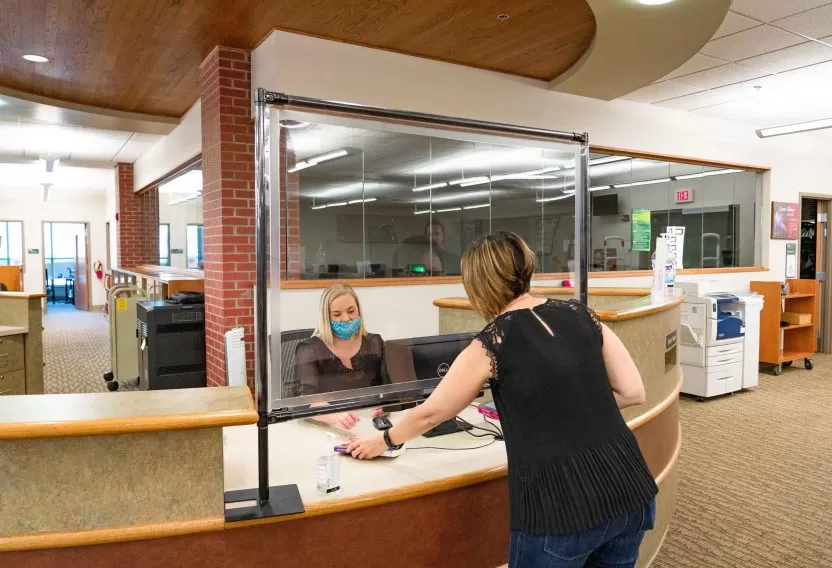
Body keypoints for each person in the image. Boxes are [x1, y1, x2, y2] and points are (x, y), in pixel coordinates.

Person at [347, 231, 657, 567]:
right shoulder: (583, 315)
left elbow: (432, 413)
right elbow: (632, 391)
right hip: (631, 489)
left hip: (562, 509)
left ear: (477, 286)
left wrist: (385, 440)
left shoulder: (493, 340)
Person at [295, 284, 389, 430]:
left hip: (370, 425)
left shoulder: (374, 342)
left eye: (351, 311)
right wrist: (335, 416)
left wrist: (385, 406)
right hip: (327, 428)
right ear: (326, 317)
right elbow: (308, 402)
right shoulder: (309, 349)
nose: (346, 318)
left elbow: (388, 388)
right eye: (337, 314)